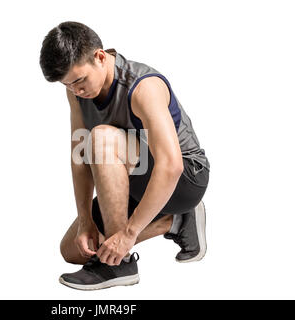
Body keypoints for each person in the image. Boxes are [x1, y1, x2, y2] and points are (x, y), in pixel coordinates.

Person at [39, 21, 210, 290]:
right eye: (68, 85)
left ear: (99, 56)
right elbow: (79, 155)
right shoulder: (76, 91)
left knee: (102, 137)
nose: (76, 91)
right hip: (134, 179)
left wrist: (129, 235)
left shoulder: (143, 87)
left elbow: (171, 165)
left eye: (79, 81)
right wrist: (85, 220)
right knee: (73, 250)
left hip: (185, 178)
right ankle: (176, 221)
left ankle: (120, 265)